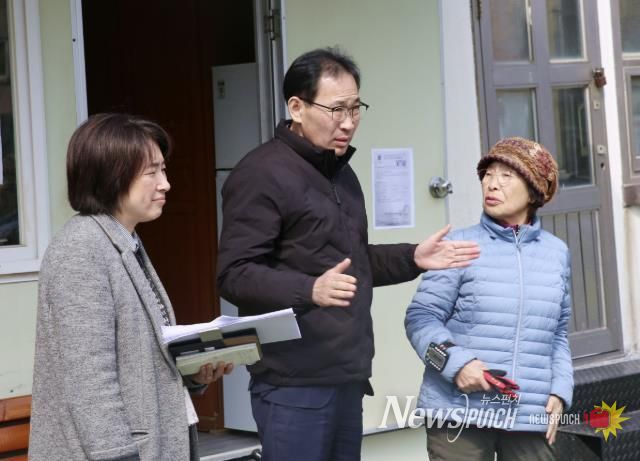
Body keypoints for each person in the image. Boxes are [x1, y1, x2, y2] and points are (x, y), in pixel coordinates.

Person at [216, 47, 480, 461]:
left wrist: (413, 257)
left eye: (356, 109)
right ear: (297, 107)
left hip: (347, 375)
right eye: (336, 109)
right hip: (293, 384)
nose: (348, 122)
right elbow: (235, 274)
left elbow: (351, 262)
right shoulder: (261, 173)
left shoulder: (340, 172)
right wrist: (309, 289)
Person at [29, 113, 232, 461]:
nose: (165, 184)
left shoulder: (123, 240)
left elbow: (139, 357)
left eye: (163, 170)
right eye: (151, 172)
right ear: (111, 176)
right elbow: (89, 377)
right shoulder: (81, 248)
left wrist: (193, 372)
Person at [405, 137, 574, 461]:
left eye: (506, 176)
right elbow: (420, 320)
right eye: (488, 174)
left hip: (530, 413)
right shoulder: (458, 246)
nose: (492, 184)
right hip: (459, 412)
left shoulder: (556, 253)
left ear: (534, 192)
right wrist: (455, 364)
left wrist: (560, 390)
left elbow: (558, 334)